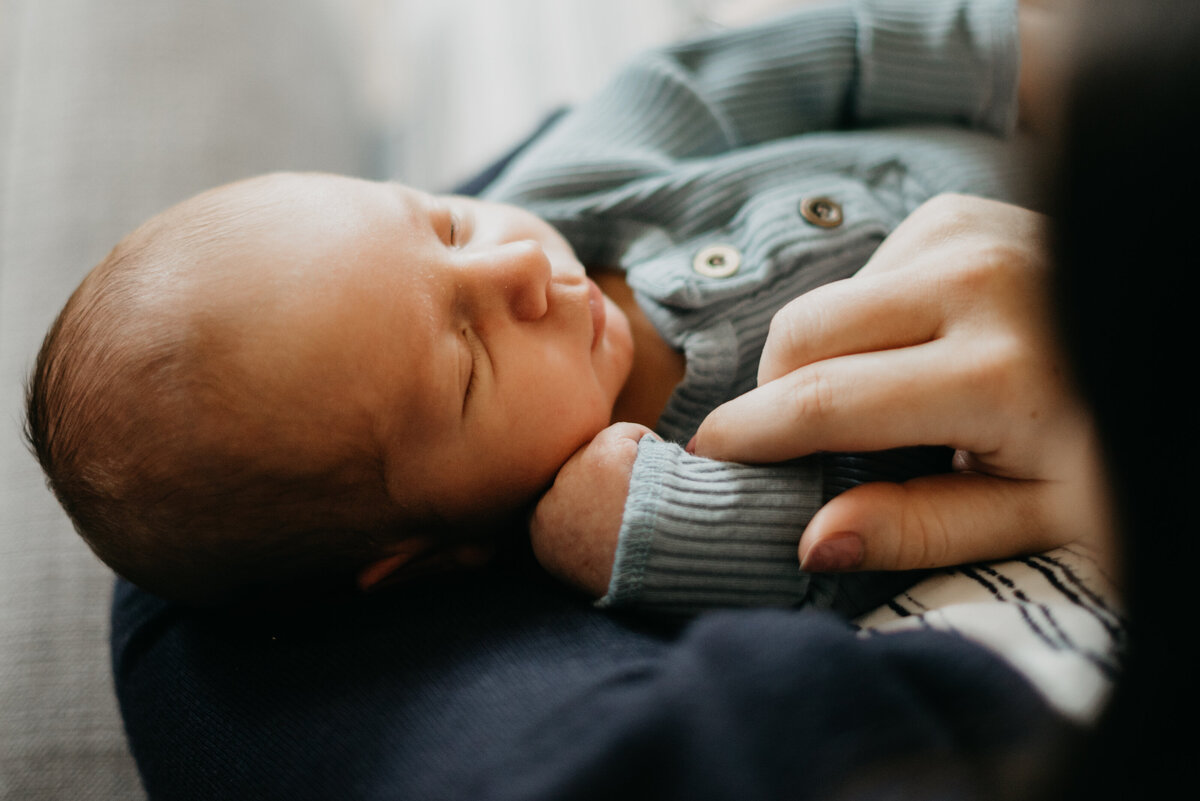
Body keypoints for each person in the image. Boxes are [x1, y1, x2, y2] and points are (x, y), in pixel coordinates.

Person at [28, 0, 1037, 619]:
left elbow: (798, 62)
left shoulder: (589, 175)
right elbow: (857, 552)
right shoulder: (639, 508)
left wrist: (1016, 57)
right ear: (427, 555)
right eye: (467, 361)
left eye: (445, 224)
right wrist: (641, 533)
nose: (514, 268)